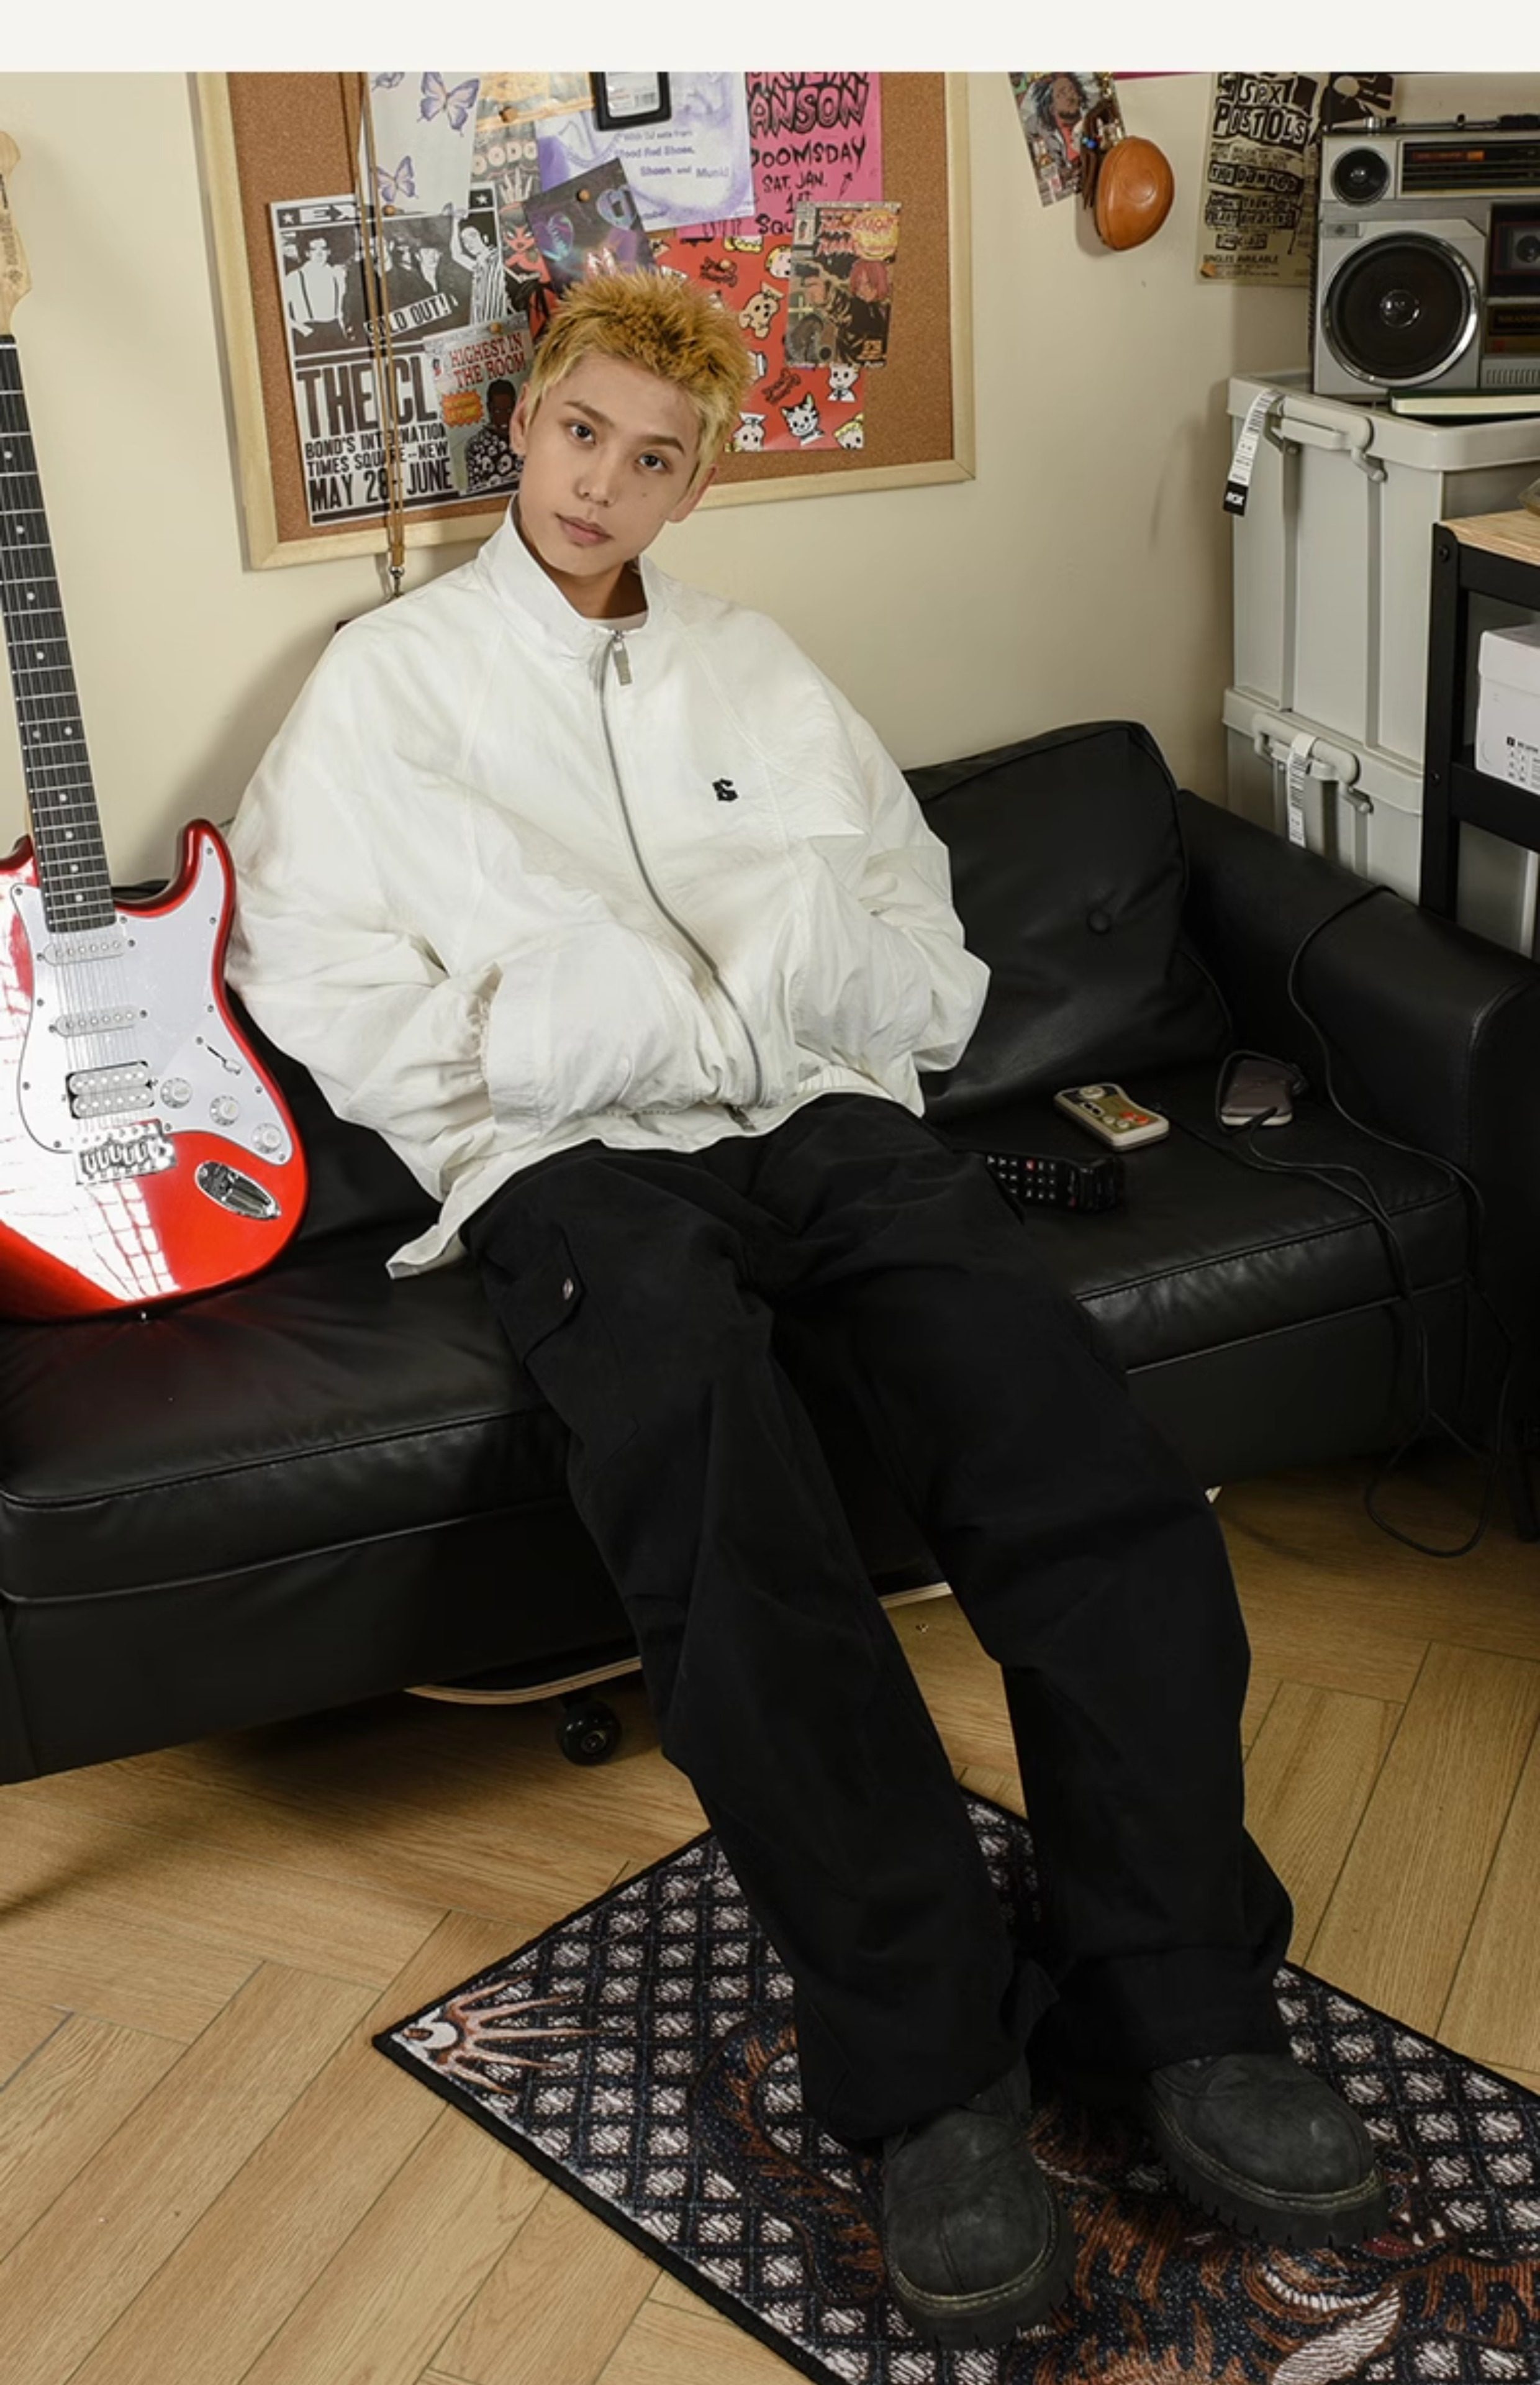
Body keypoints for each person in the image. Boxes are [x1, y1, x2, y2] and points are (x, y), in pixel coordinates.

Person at [225, 273, 1387, 2353]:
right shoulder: (385, 688)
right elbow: (306, 960)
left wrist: (828, 1014)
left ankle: (1182, 2007)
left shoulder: (756, 671)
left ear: (698, 485)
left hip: (828, 1129)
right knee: (733, 1534)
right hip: (574, 1165)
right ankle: (927, 2074)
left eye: (654, 458)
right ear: (525, 426)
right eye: (581, 432)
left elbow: (917, 921)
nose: (605, 482)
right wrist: (525, 1055)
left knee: (1086, 1462)